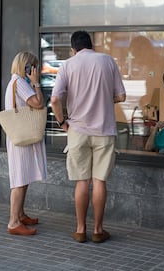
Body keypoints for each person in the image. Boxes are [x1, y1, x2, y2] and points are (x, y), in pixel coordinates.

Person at [51, 31, 126, 243]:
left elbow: (55, 99)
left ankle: (80, 229)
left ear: (73, 49)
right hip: (104, 131)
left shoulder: (68, 64)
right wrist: (102, 99)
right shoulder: (108, 61)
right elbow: (121, 96)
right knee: (99, 181)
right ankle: (98, 230)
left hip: (77, 131)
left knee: (82, 181)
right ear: (91, 45)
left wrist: (61, 122)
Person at [5, 51, 47, 235]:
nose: (35, 70)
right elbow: (38, 103)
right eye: (33, 66)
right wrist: (36, 82)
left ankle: (20, 215)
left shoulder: (16, 82)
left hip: (19, 136)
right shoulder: (20, 83)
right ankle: (14, 222)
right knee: (20, 180)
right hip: (20, 139)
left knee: (23, 177)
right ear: (27, 67)